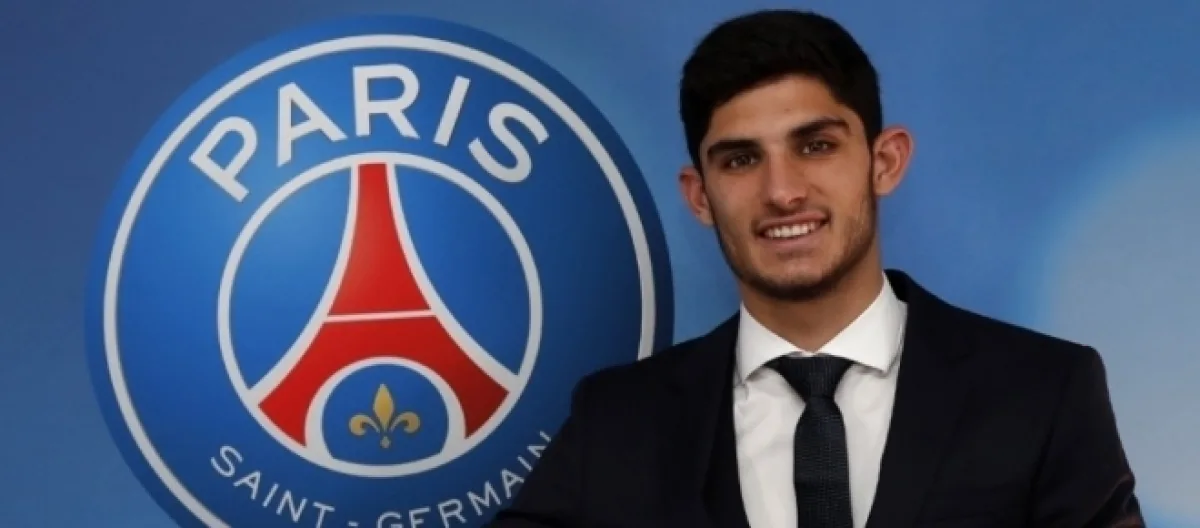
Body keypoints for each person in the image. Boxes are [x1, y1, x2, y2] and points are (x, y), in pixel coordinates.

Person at [489, 8, 1143, 528]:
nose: (782, 191)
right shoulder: (618, 423)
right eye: (741, 160)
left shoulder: (1042, 393)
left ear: (884, 161)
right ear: (699, 196)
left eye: (816, 146)